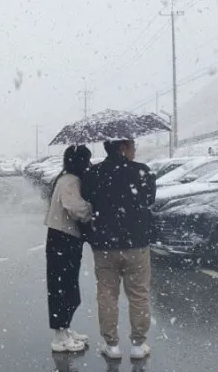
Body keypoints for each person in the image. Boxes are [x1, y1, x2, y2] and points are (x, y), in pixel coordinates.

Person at [81, 138, 156, 360]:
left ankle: (111, 344)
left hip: (104, 244)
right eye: (133, 146)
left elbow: (87, 197)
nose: (135, 150)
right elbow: (150, 199)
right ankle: (138, 344)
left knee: (107, 294)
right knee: (139, 294)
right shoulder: (142, 171)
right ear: (123, 147)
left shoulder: (94, 173)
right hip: (136, 242)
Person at [43, 145, 93, 352]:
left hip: (61, 237)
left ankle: (65, 329)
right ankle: (60, 337)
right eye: (87, 160)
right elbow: (75, 208)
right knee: (63, 286)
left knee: (66, 285)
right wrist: (92, 210)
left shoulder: (66, 178)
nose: (89, 164)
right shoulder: (70, 181)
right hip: (64, 237)